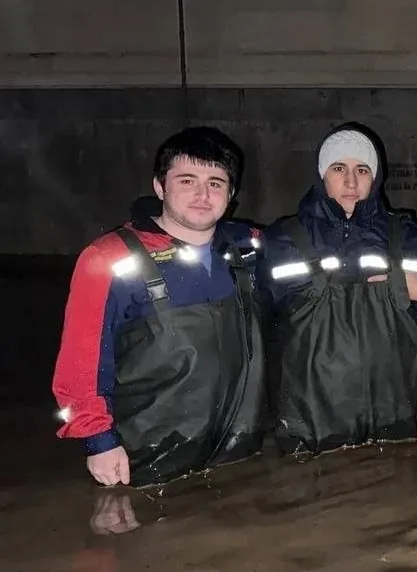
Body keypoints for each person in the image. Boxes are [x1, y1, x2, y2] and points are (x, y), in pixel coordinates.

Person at [52, 127, 267, 488]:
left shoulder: (249, 246)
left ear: (230, 194)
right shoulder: (109, 257)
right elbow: (80, 364)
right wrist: (100, 442)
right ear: (159, 186)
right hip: (149, 457)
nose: (202, 194)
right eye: (187, 180)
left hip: (237, 450)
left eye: (216, 183)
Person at [258, 121, 417, 455]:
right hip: (309, 428)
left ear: (375, 177)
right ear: (322, 175)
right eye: (339, 168)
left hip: (394, 421)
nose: (351, 181)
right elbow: (257, 324)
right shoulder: (282, 238)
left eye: (362, 169)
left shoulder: (405, 234)